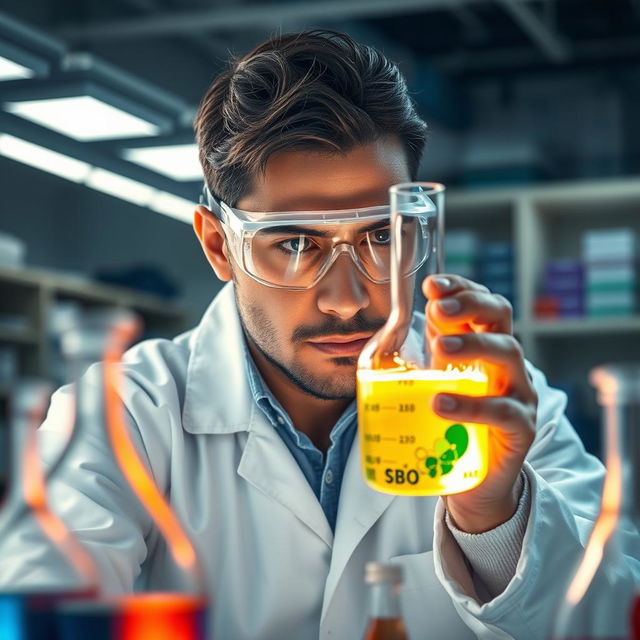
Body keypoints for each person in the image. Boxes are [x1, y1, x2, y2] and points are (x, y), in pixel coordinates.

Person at [2, 30, 638, 640]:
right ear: (219, 246)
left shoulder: (491, 399)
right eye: (296, 244)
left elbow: (616, 613)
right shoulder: (126, 414)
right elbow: (42, 609)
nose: (346, 300)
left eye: (382, 236)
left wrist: (496, 518)